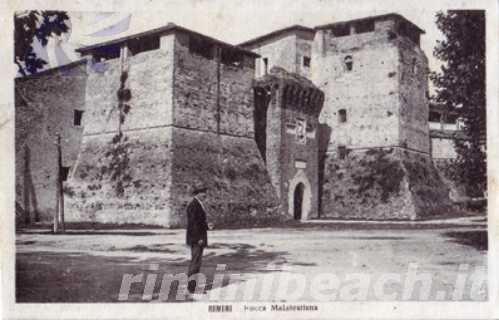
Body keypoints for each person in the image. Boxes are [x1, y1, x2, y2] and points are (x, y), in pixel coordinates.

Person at [186, 186, 209, 294]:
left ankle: (193, 286)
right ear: (197, 193)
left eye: (205, 192)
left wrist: (207, 226)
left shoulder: (198, 204)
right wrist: (198, 238)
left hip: (199, 237)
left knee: (197, 262)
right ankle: (191, 287)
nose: (205, 194)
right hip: (197, 239)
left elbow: (199, 222)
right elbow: (193, 224)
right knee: (195, 262)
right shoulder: (194, 205)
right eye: (203, 192)